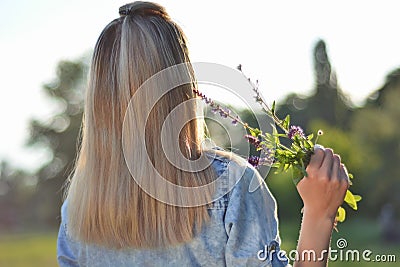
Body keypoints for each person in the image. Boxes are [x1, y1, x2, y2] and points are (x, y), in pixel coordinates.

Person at [57, 2, 349, 266]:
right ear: (183, 86)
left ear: (98, 102)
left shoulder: (77, 212)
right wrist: (318, 216)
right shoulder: (232, 188)